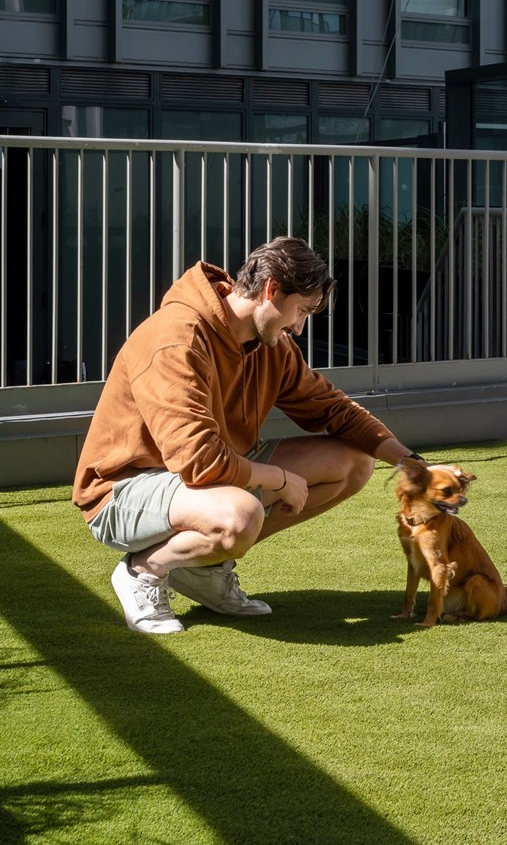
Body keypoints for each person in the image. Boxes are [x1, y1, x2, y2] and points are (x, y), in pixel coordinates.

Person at [73, 236, 422, 634]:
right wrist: (279, 478)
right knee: (240, 515)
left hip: (201, 482)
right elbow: (198, 461)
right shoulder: (176, 339)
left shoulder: (271, 345)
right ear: (271, 290)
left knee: (353, 464)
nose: (300, 328)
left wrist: (411, 463)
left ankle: (205, 567)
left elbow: (333, 409)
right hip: (123, 491)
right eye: (301, 311)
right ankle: (144, 569)